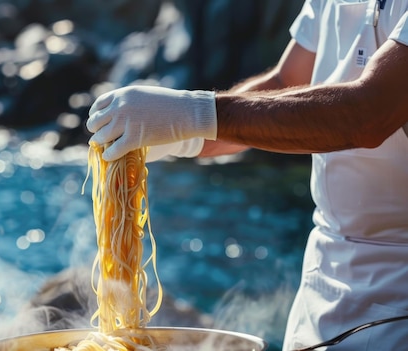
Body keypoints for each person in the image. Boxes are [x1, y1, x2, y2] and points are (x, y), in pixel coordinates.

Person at [86, 0, 408, 350]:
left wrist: (197, 114)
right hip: (323, 277)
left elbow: (370, 112)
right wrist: (192, 137)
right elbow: (285, 82)